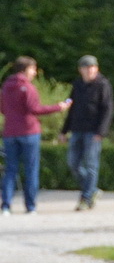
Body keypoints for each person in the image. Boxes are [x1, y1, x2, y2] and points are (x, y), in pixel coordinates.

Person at [2, 56, 71, 215]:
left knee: (10, 170)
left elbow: (3, 108)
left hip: (10, 132)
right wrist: (58, 107)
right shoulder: (28, 87)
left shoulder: (6, 86)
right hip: (28, 132)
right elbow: (35, 109)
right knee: (31, 169)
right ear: (25, 70)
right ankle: (30, 206)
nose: (34, 72)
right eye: (33, 69)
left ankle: (6, 205)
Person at [63, 55, 114, 210]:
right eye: (86, 68)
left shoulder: (103, 84)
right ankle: (92, 190)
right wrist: (64, 130)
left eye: (92, 67)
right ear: (81, 70)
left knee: (91, 164)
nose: (89, 70)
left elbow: (108, 109)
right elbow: (72, 108)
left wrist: (101, 131)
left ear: (96, 68)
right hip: (77, 129)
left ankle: (86, 199)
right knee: (73, 163)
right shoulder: (78, 85)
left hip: (93, 130)